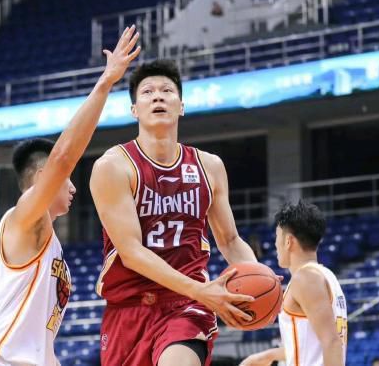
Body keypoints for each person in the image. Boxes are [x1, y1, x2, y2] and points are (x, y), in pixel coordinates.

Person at [0, 26, 141, 366]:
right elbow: (63, 157)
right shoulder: (24, 216)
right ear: (44, 178)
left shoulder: (46, 238)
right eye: (67, 180)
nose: (73, 186)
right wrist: (105, 83)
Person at [90, 59, 261, 366]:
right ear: (134, 110)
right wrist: (202, 290)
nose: (158, 96)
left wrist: (259, 281)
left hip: (187, 305)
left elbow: (231, 240)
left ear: (181, 106)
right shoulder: (113, 167)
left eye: (167, 90)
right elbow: (130, 252)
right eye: (148, 92)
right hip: (127, 309)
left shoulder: (209, 166)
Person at [240, 201, 347, 366]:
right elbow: (309, 346)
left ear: (288, 241)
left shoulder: (305, 279)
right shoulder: (326, 275)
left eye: (277, 237)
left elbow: (331, 342)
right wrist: (266, 356)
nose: (276, 244)